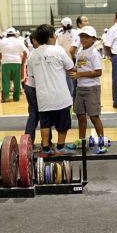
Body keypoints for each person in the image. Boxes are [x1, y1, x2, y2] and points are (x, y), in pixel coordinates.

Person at [26, 24, 75, 157]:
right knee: (63, 124)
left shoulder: (32, 55)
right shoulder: (58, 50)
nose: (55, 37)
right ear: (49, 37)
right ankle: (60, 148)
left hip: (43, 98)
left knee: (45, 123)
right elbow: (71, 67)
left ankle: (46, 149)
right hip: (61, 96)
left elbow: (31, 78)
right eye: (54, 35)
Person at [71, 26, 106, 153]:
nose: (83, 39)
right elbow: (78, 67)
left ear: (93, 39)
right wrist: (68, 68)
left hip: (92, 89)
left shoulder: (94, 53)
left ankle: (101, 142)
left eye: (86, 37)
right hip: (80, 88)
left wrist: (79, 75)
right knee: (80, 115)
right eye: (81, 36)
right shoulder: (80, 51)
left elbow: (98, 72)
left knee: (94, 116)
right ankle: (82, 140)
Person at [0, 27, 28, 102]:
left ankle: (6, 97)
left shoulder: (2, 41)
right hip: (17, 62)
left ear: (7, 34)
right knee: (17, 81)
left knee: (6, 80)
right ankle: (16, 97)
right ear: (14, 34)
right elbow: (25, 52)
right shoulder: (18, 41)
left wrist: (1, 59)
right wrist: (23, 61)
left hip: (6, 62)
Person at [23, 37, 41, 144]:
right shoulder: (35, 54)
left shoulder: (36, 53)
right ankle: (28, 141)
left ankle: (28, 141)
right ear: (34, 40)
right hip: (33, 87)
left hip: (32, 86)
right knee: (38, 114)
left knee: (36, 113)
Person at [57, 17, 79, 97]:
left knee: (69, 81)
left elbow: (58, 47)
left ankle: (70, 98)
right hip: (75, 58)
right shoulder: (76, 32)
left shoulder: (60, 35)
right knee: (76, 80)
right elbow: (74, 47)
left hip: (65, 59)